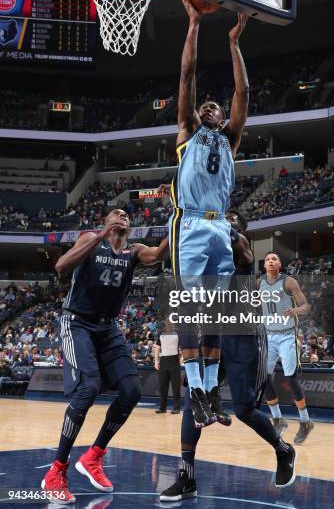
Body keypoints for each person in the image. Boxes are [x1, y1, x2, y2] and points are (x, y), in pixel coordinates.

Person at [160, 211, 296, 501]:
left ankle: (283, 450)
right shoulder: (206, 259)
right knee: (191, 403)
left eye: (229, 219)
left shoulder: (241, 248)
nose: (223, 221)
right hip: (216, 335)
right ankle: (188, 476)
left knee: (245, 409)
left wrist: (223, 228)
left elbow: (242, 248)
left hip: (245, 337)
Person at [41, 209, 168, 503]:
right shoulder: (91, 240)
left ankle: (93, 457)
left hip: (108, 328)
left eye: (126, 215)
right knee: (89, 388)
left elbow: (158, 255)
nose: (123, 216)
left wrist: (179, 221)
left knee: (132, 390)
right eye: (116, 213)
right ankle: (56, 471)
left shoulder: (133, 251)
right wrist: (100, 233)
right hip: (77, 322)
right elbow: (61, 266)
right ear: (107, 222)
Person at [170, 0, 249, 428]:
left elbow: (243, 91)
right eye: (204, 106)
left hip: (222, 228)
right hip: (192, 224)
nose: (207, 108)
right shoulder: (187, 132)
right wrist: (194, 25)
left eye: (213, 107)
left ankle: (212, 393)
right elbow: (187, 75)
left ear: (221, 117)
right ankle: (197, 393)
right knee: (189, 311)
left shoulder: (232, 139)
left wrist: (234, 42)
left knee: (216, 314)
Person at [260, 252, 315, 444]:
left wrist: (294, 311)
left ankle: (305, 421)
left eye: (274, 258)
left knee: (290, 379)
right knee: (263, 378)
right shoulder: (259, 283)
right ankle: (278, 418)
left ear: (280, 263)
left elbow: (306, 306)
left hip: (286, 335)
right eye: (268, 259)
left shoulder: (288, 282)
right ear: (264, 264)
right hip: (268, 335)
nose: (271, 261)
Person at [154, 320, 181, 414]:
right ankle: (162, 408)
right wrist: (156, 361)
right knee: (163, 386)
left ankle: (177, 408)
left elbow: (182, 347)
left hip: (174, 361)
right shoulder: (161, 333)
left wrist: (181, 358)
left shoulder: (178, 332)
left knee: (176, 386)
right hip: (163, 361)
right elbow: (157, 347)